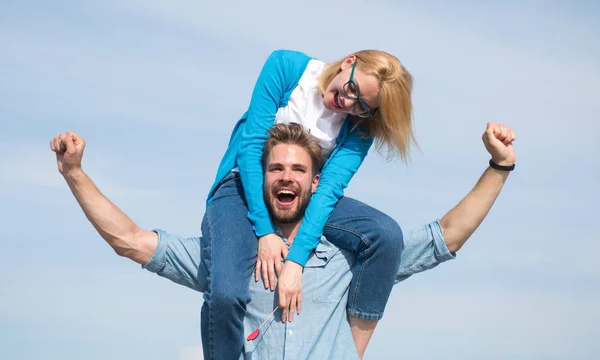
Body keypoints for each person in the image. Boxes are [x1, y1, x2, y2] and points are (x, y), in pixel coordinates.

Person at [49, 121, 516, 359]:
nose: (286, 177)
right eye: (275, 168)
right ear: (260, 179)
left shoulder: (350, 258)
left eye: (298, 169)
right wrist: (75, 174)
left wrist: (500, 167)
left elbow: (446, 236)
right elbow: (130, 240)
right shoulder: (230, 259)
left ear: (316, 183)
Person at [205, 49, 415, 358]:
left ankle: (348, 352)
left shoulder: (359, 126)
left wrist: (295, 261)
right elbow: (250, 148)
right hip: (242, 185)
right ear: (349, 62)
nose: (348, 103)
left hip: (304, 200)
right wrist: (264, 232)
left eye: (363, 106)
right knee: (226, 294)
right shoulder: (287, 68)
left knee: (385, 235)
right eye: (352, 89)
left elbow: (327, 190)